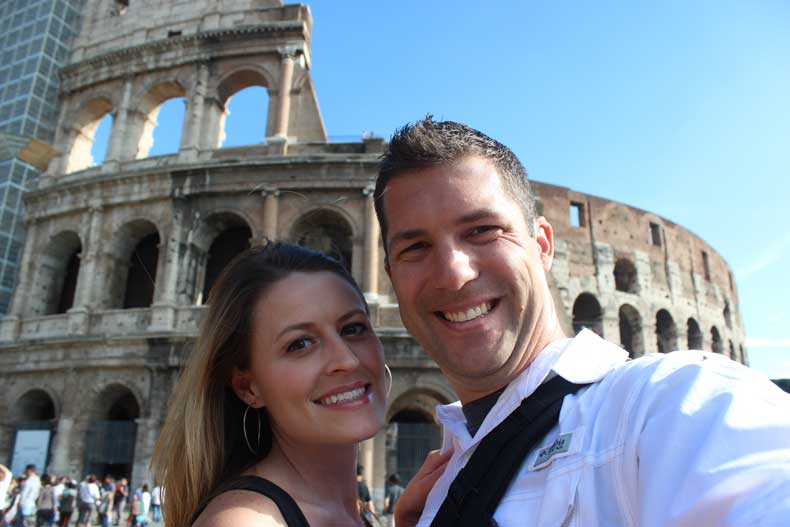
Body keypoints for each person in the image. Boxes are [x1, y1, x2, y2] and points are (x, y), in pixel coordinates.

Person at [374, 116, 790, 526]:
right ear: (390, 275)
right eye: (416, 248)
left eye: (483, 230)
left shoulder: (672, 406)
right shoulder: (440, 489)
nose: (454, 273)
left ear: (542, 246)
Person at [151, 242, 390, 527]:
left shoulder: (347, 512)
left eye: (353, 328)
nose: (347, 360)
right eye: (300, 344)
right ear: (248, 388)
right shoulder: (244, 522)